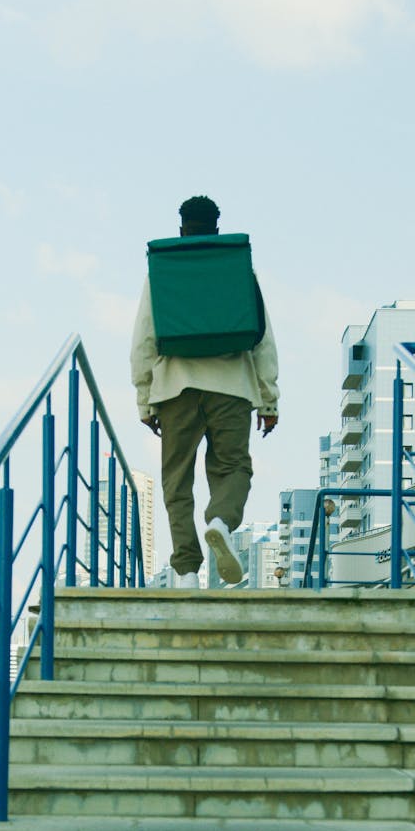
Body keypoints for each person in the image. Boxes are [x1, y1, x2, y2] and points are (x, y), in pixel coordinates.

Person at [131, 195, 279, 587]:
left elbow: (143, 339)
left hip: (175, 388)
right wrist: (269, 398)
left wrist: (145, 400)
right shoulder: (240, 269)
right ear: (217, 227)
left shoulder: (161, 271)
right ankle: (220, 521)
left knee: (176, 481)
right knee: (232, 467)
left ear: (182, 228)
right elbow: (263, 339)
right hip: (232, 386)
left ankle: (184, 571)